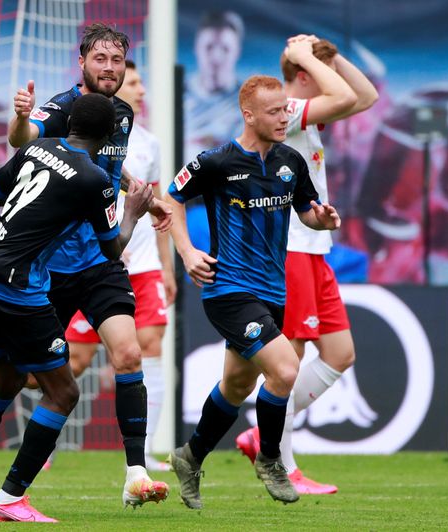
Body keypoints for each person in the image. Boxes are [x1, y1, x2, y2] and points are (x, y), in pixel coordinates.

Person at [0, 22, 171, 508]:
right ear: (81, 62)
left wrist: (138, 192)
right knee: (15, 377)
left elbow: (105, 168)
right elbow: (26, 138)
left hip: (98, 264)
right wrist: (19, 119)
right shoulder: (62, 108)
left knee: (128, 354)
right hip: (51, 268)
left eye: (117, 61)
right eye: (100, 59)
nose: (109, 68)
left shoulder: (117, 115)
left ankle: (136, 473)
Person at [165, 75, 341, 509]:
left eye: (285, 109)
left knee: (237, 384)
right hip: (228, 288)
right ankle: (269, 458)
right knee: (284, 370)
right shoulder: (216, 161)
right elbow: (169, 200)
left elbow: (307, 213)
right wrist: (187, 253)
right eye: (274, 112)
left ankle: (190, 457)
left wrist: (324, 220)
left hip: (272, 292)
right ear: (248, 115)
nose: (284, 117)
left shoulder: (291, 161)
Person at [233, 35, 378, 494]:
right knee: (289, 362)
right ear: (302, 76)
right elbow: (346, 96)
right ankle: (284, 463)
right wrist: (299, 57)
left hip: (317, 250)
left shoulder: (304, 117)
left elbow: (367, 96)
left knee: (340, 354)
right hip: (290, 250)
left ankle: (265, 431)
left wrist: (331, 56)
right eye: (321, 70)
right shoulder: (289, 112)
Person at [63, 59, 176, 472]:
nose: (141, 89)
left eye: (141, 79)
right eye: (136, 82)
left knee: (147, 349)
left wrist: (167, 264)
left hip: (141, 264)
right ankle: (36, 437)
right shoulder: (81, 134)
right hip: (93, 260)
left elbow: (158, 202)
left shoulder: (149, 143)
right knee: (72, 361)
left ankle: (144, 453)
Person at [184, 10, 246, 159]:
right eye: (209, 47)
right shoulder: (175, 96)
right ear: (196, 48)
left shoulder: (249, 100)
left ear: (237, 51)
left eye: (225, 49)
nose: (216, 57)